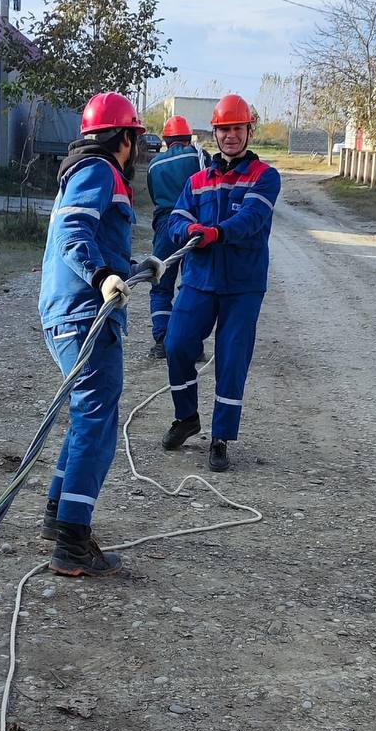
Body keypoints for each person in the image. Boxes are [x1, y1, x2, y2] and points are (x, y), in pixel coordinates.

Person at [38, 91, 164, 577]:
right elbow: (75, 239)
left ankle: (58, 516)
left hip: (71, 310)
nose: (137, 150)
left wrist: (133, 270)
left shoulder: (82, 172)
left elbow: (95, 242)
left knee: (85, 415)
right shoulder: (98, 171)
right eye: (135, 138)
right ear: (123, 138)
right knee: (97, 420)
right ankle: (72, 540)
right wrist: (101, 277)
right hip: (85, 313)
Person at [161, 93, 281, 472]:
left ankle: (220, 437)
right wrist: (188, 230)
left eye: (237, 128)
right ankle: (187, 418)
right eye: (224, 129)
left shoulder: (265, 177)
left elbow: (251, 221)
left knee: (231, 360)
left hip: (242, 286)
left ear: (249, 130)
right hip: (199, 280)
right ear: (214, 132)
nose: (230, 135)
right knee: (177, 344)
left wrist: (216, 233)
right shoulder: (196, 180)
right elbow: (174, 219)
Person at [145, 114, 205, 358]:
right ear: (187, 138)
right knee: (192, 286)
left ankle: (162, 342)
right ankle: (191, 344)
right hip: (192, 225)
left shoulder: (154, 165)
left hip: (165, 226)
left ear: (166, 140)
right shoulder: (198, 157)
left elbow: (153, 197)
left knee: (160, 285)